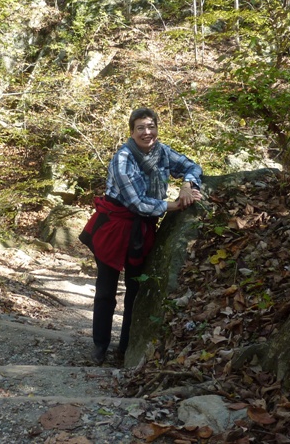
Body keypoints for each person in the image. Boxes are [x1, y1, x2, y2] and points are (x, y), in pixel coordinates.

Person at [79, 107, 203, 365]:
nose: (147, 132)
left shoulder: (162, 152)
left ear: (157, 127)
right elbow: (136, 203)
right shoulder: (123, 158)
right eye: (140, 128)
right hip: (115, 226)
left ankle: (125, 348)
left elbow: (192, 166)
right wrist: (176, 205)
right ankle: (100, 346)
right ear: (132, 132)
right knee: (106, 289)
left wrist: (186, 185)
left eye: (151, 126)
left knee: (135, 291)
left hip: (142, 229)